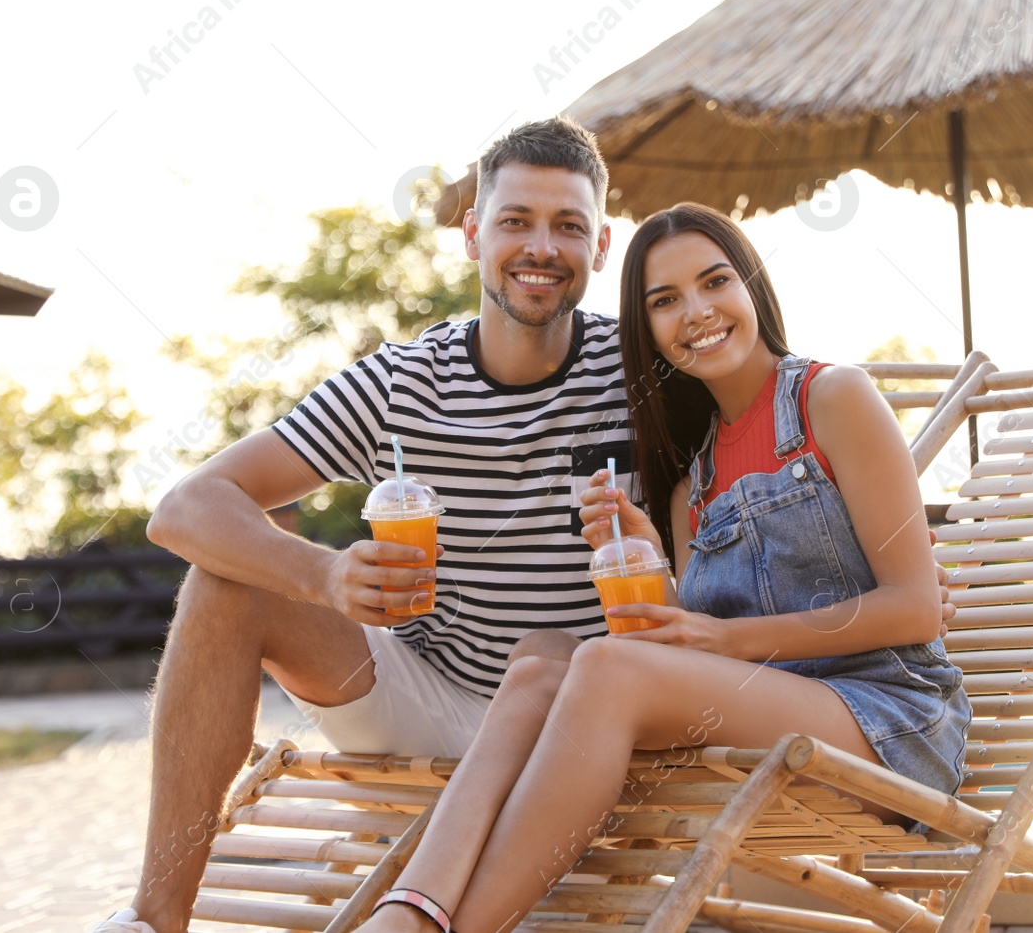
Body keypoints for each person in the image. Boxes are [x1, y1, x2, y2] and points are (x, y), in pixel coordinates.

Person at [352, 202, 969, 933]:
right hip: (774, 717)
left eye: (714, 282)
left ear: (752, 287)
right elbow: (703, 650)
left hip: (887, 723)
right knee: (541, 656)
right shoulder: (689, 486)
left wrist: (718, 642)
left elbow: (916, 608)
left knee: (607, 666)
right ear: (649, 332)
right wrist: (653, 563)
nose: (697, 311)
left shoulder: (832, 398)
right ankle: (414, 904)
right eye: (666, 301)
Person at [92, 116, 636, 933]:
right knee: (224, 584)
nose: (540, 247)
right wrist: (324, 575)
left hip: (579, 714)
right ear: (472, 234)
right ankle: (155, 919)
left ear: (600, 247)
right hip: (433, 695)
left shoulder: (642, 369)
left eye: (568, 226)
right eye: (515, 221)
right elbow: (185, 508)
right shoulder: (402, 381)